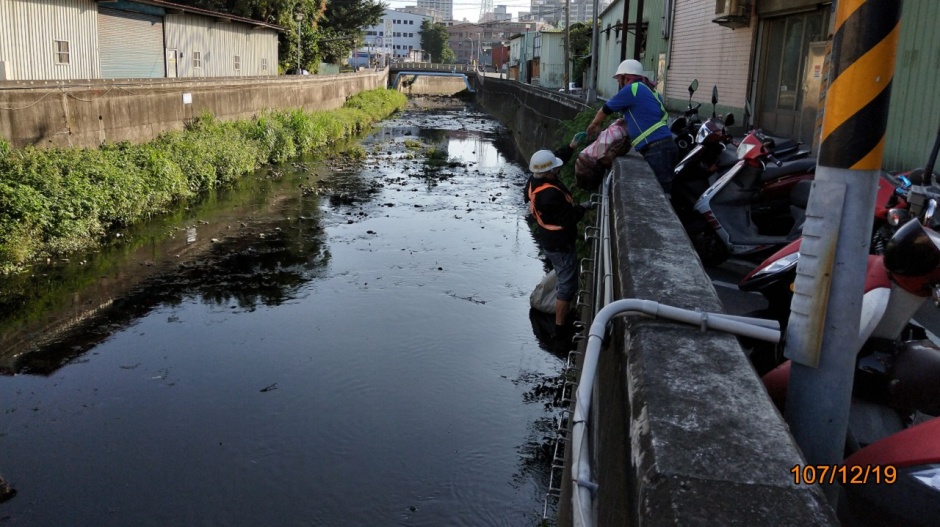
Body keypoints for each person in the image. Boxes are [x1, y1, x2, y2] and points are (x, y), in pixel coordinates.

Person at [524, 136, 595, 342]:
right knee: (567, 284)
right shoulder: (549, 196)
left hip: (550, 241)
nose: (558, 170)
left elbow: (555, 158)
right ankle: (560, 328)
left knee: (563, 274)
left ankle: (559, 316)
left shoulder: (534, 180)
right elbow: (568, 218)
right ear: (547, 173)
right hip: (559, 245)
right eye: (554, 169)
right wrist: (584, 207)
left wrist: (571, 145)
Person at [586, 59, 678, 195]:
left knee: (659, 194)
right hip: (665, 146)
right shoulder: (651, 91)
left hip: (656, 149)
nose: (618, 82)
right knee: (664, 191)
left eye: (619, 79)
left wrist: (594, 124)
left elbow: (605, 109)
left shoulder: (632, 89)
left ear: (626, 77)